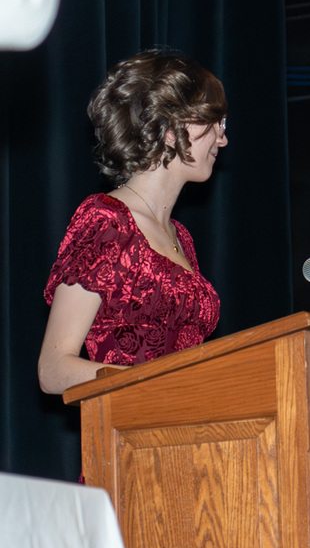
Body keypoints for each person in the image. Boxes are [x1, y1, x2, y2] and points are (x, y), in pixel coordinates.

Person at [38, 49, 226, 394]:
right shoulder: (107, 221)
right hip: (129, 433)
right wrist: (159, 383)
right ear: (172, 129)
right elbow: (53, 370)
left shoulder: (180, 237)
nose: (222, 138)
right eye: (214, 122)